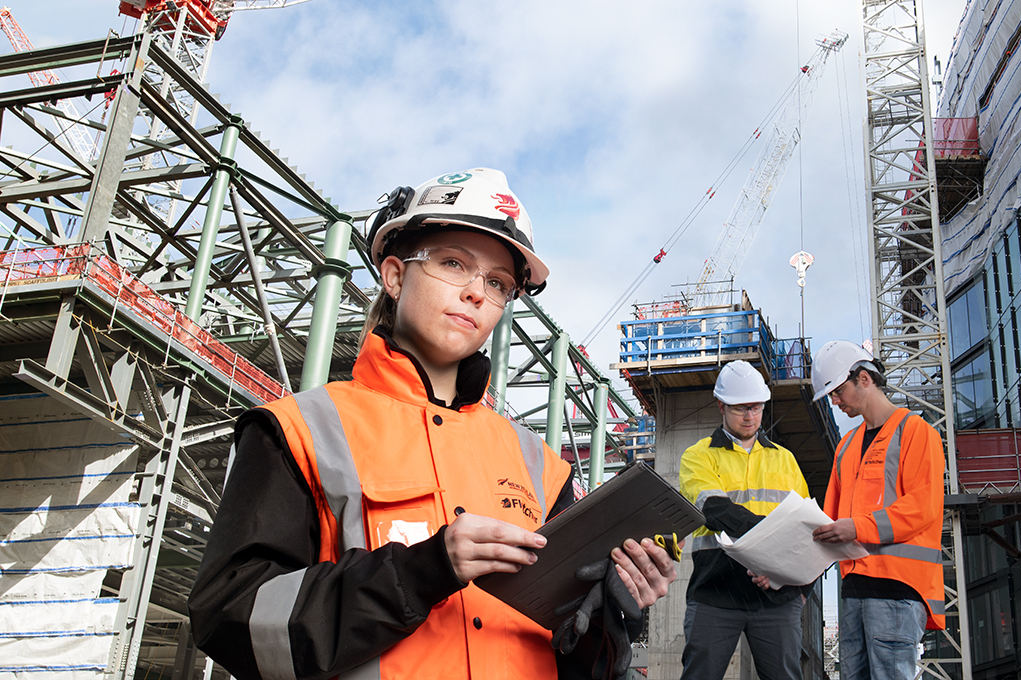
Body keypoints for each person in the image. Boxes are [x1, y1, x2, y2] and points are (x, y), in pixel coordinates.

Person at [188, 168, 677, 680]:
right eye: (453, 263)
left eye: (497, 283)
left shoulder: (541, 466)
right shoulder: (299, 431)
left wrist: (610, 614)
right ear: (395, 276)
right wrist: (424, 571)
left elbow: (569, 658)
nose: (476, 293)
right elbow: (233, 618)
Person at [809, 341, 946, 680]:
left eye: (838, 391)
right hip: (854, 590)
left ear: (865, 379)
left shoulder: (916, 432)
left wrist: (857, 528)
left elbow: (922, 507)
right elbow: (826, 525)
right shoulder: (846, 447)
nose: (835, 401)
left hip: (898, 589)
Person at [676, 360, 812, 680]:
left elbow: (806, 528)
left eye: (757, 407)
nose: (750, 416)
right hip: (715, 591)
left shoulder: (785, 459)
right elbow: (716, 510)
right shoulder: (698, 455)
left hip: (777, 597)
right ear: (721, 406)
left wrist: (802, 588)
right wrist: (773, 546)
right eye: (740, 408)